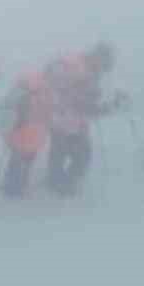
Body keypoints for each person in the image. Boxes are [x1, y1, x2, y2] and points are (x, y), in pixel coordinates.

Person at [44, 43, 123, 197]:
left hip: (77, 122)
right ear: (98, 56)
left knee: (82, 156)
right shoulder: (76, 65)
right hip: (61, 120)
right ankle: (55, 184)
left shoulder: (94, 73)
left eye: (105, 66)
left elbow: (90, 101)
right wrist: (76, 93)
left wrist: (108, 104)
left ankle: (65, 182)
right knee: (60, 154)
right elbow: (57, 82)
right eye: (104, 62)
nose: (103, 68)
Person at [0, 68, 54, 199]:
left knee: (25, 161)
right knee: (19, 161)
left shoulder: (48, 91)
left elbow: (48, 111)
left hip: (35, 134)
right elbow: (8, 106)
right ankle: (12, 189)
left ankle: (17, 186)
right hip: (21, 132)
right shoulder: (27, 86)